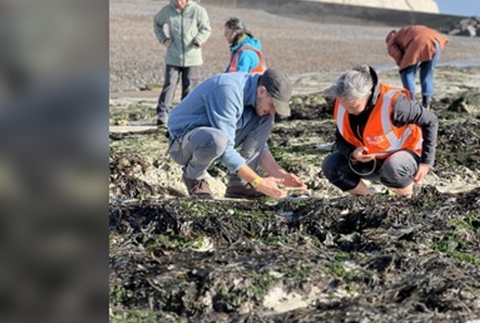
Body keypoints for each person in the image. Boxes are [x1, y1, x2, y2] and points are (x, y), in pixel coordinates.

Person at [167, 68, 307, 199]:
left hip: (214, 139)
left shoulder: (257, 100)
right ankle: (194, 178)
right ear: (262, 91)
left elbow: (258, 146)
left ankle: (239, 185)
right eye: (273, 105)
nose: (273, 111)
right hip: (182, 144)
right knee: (217, 140)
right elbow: (226, 148)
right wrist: (258, 182)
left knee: (266, 118)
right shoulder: (228, 90)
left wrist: (281, 175)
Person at [322, 65, 439, 198]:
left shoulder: (395, 104)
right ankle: (366, 198)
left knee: (394, 166)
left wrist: (426, 162)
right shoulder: (341, 103)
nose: (349, 111)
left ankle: (406, 197)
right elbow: (340, 139)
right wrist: (352, 153)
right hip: (368, 163)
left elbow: (431, 120)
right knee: (331, 165)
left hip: (403, 160)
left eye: (354, 106)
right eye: (345, 106)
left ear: (368, 94)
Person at [153, 0, 212, 125]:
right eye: (176, 0)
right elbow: (157, 24)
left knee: (190, 86)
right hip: (173, 56)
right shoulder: (167, 11)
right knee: (169, 84)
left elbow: (206, 28)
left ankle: (186, 114)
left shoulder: (198, 10)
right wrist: (164, 39)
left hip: (192, 56)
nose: (180, 3)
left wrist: (200, 38)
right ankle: (162, 112)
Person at [385, 25, 449, 108]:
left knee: (406, 72)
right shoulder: (403, 32)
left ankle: (411, 102)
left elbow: (397, 55)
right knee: (427, 73)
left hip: (419, 41)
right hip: (436, 41)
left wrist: (402, 64)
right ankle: (426, 103)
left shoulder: (391, 41)